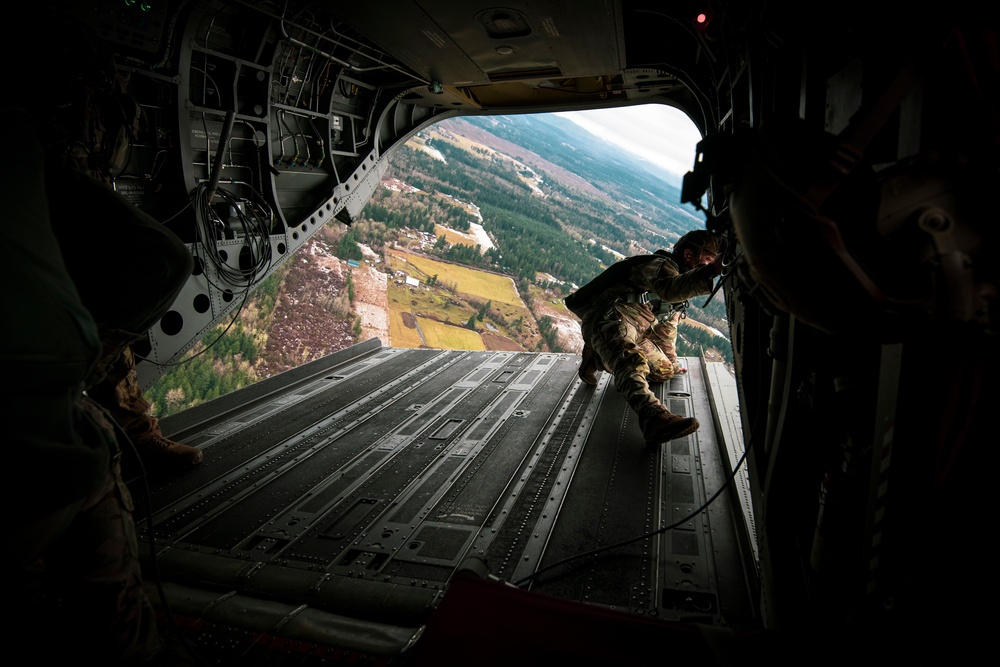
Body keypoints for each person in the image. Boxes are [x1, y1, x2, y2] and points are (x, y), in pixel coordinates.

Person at [565, 231, 723, 445]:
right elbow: (670, 290)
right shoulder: (659, 266)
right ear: (688, 255)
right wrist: (711, 271)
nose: (707, 267)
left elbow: (667, 331)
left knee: (664, 370)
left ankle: (597, 357)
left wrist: (673, 364)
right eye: (706, 261)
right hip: (609, 318)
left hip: (637, 329)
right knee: (631, 361)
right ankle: (654, 418)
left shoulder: (677, 290)